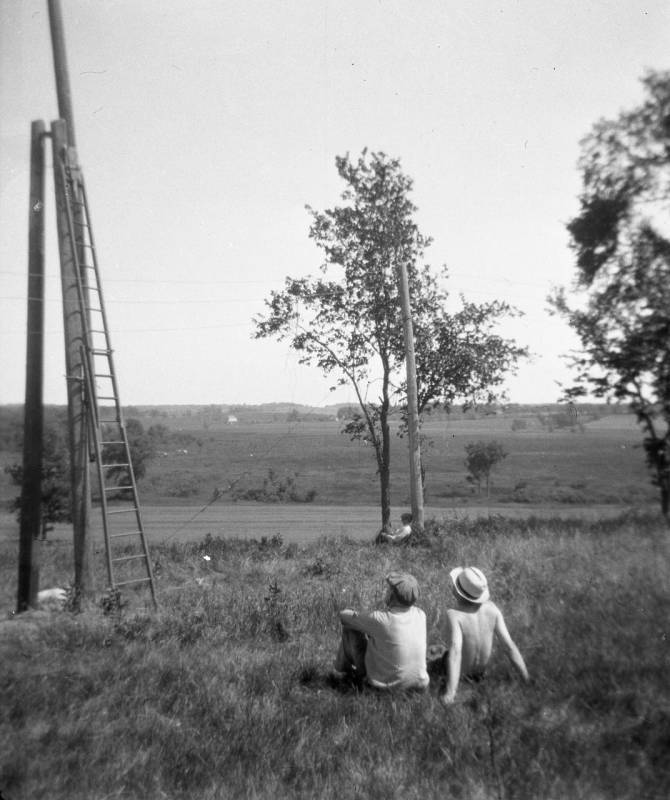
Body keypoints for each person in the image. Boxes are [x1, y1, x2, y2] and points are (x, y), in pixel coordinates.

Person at [438, 566, 530, 706]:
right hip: (480, 674)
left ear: (458, 591)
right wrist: (525, 678)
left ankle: (452, 688)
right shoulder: (493, 609)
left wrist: (450, 693)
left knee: (438, 654)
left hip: (461, 675)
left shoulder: (454, 615)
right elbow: (509, 646)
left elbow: (456, 651)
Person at [333, 572, 430, 691]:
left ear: (392, 595)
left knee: (350, 629)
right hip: (420, 685)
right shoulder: (421, 615)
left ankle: (342, 673)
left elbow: (344, 616)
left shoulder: (381, 620)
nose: (386, 591)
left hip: (385, 688)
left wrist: (356, 613)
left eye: (389, 590)